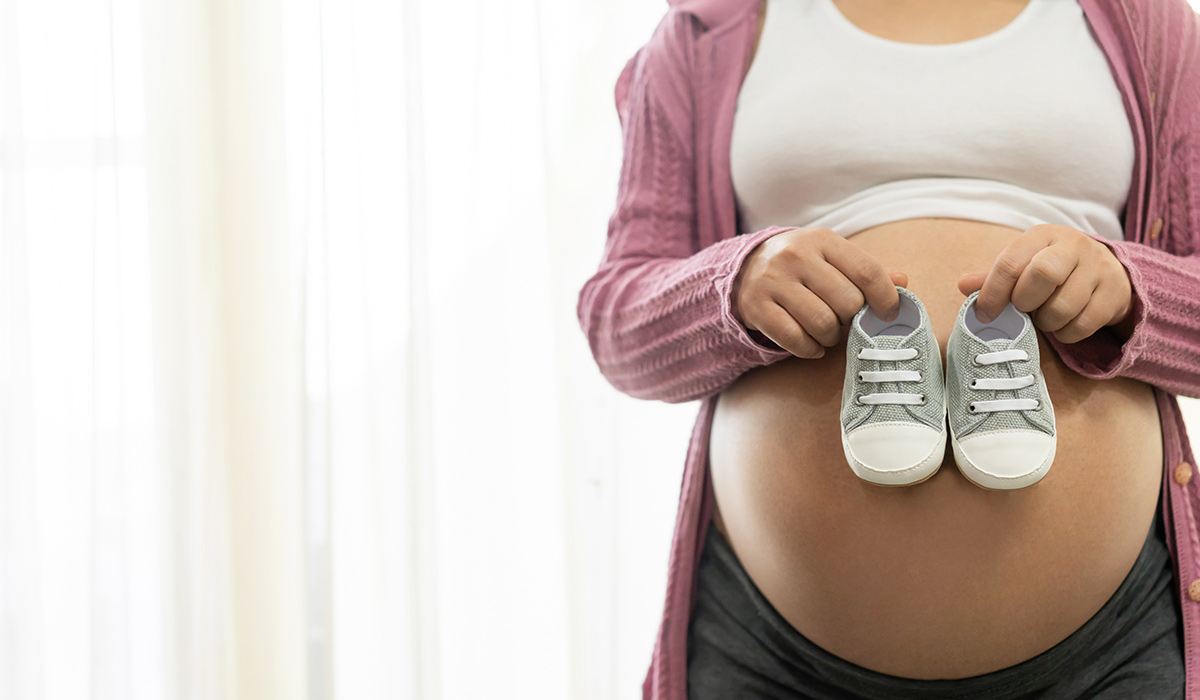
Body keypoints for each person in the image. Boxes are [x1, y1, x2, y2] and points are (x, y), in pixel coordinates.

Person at [576, 0, 1200, 697]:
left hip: (1106, 657)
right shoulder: (708, 29)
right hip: (769, 659)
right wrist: (733, 287)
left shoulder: (1146, 23)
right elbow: (616, 320)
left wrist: (1130, 291)